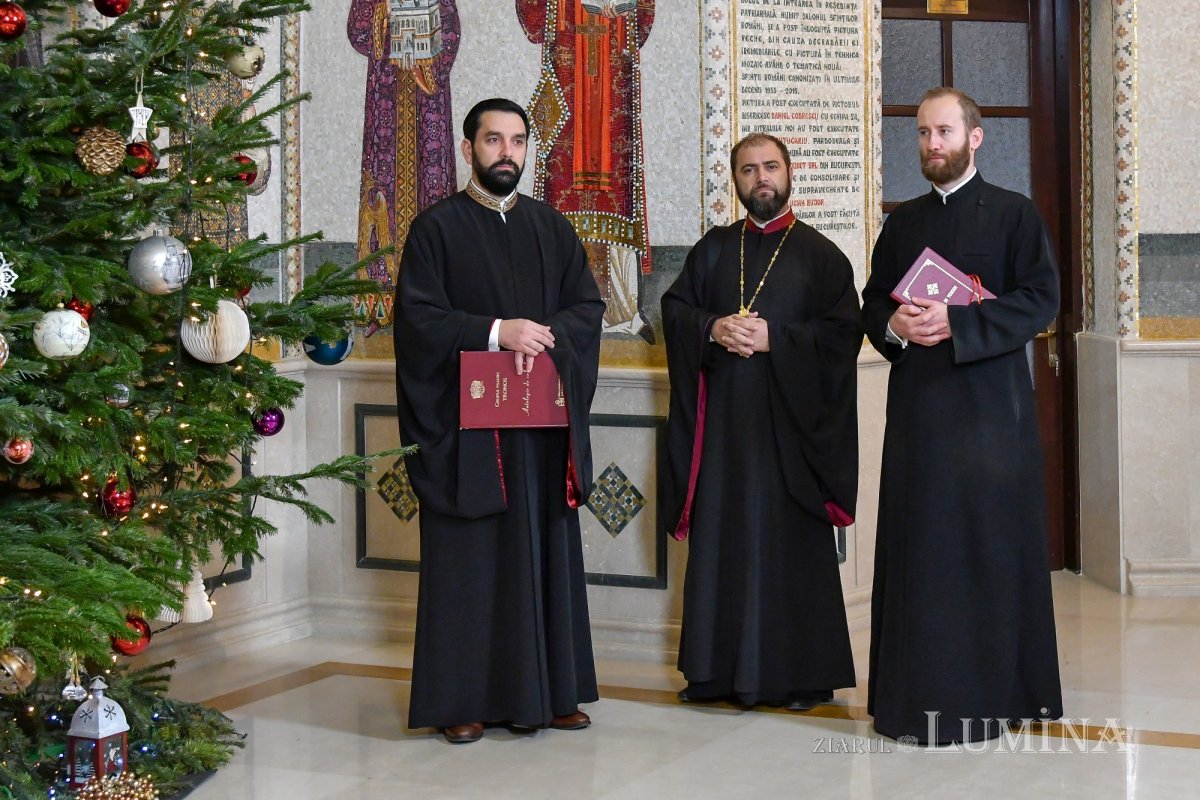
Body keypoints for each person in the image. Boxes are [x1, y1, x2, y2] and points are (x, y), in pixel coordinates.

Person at [393, 97, 605, 744]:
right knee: (471, 561)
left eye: (517, 141)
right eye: (493, 140)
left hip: (540, 432)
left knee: (546, 551)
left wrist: (545, 337)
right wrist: (495, 332)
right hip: (470, 438)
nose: (506, 152)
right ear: (468, 149)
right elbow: (418, 320)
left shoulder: (551, 227)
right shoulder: (436, 228)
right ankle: (463, 699)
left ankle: (553, 692)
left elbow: (586, 309)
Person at [861, 87, 1064, 745]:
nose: (931, 145)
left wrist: (962, 320)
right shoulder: (902, 223)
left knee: (987, 553)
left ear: (975, 137)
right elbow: (871, 307)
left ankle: (996, 695)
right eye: (922, 134)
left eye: (944, 132)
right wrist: (892, 324)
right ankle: (913, 701)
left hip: (990, 419)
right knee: (922, 555)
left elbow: (1041, 302)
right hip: (920, 417)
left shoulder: (1015, 215)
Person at [660, 132, 861, 710]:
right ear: (736, 181)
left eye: (770, 167)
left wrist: (780, 339)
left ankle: (801, 677)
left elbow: (844, 336)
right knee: (723, 545)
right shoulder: (715, 250)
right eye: (748, 170)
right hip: (722, 435)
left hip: (790, 440)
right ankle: (714, 672)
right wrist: (712, 328)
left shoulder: (822, 256)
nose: (761, 179)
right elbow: (675, 311)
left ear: (790, 172)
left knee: (789, 552)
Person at [517, 0, 655, 336]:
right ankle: (556, 309)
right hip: (567, 80)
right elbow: (534, 20)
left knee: (616, 194)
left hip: (612, 79)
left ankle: (623, 312)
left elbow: (643, 15)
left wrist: (621, 6)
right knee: (561, 191)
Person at [349, 0, 460, 333]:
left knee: (434, 194)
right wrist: (386, 17)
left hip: (429, 103)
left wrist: (426, 45)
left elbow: (451, 32)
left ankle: (435, 304)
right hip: (386, 92)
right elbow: (357, 30)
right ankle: (379, 304)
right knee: (380, 197)